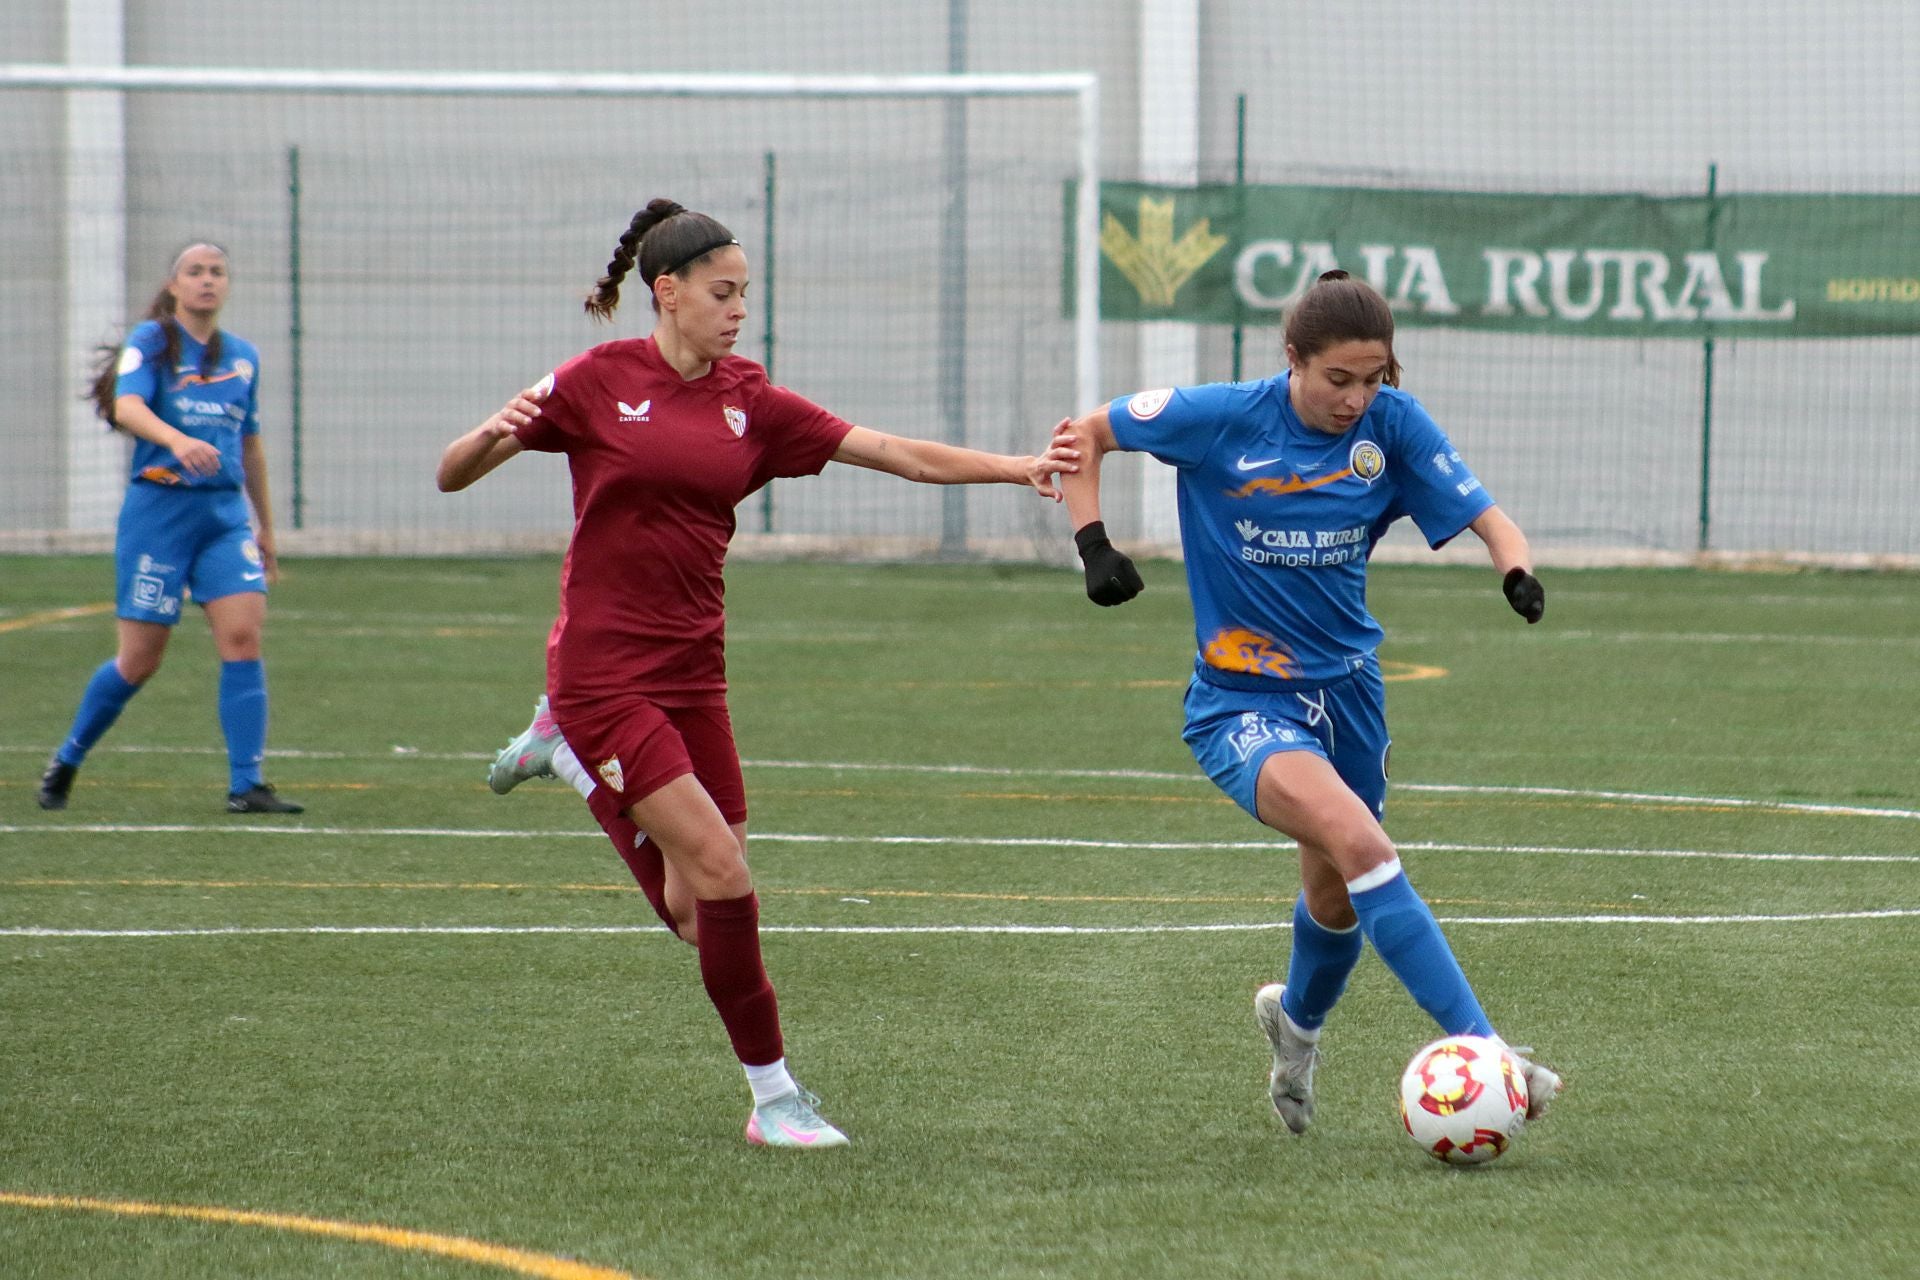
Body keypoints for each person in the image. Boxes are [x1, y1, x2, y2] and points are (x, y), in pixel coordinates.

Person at [436, 198, 1077, 1150]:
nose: (740, 310)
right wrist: (493, 433)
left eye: (745, 293)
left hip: (696, 671)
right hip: (604, 672)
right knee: (726, 875)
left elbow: (892, 452)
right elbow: (450, 474)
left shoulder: (750, 399)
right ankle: (773, 1098)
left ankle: (566, 759)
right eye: (723, 293)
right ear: (668, 292)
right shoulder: (595, 380)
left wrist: (1018, 467)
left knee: (700, 914)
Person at [1052, 269, 1560, 1135]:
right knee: (1364, 843)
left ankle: (1296, 1029)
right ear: (1293, 358)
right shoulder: (1219, 416)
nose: (1356, 399)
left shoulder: (1392, 425)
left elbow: (1488, 515)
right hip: (1241, 703)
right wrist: (1092, 542)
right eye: (1339, 379)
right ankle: (1490, 1052)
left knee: (1336, 899)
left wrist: (1515, 570)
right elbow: (1086, 434)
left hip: (1351, 697)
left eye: (1374, 378)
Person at [37, 243, 303, 815]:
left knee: (243, 637)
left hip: (223, 518)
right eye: (195, 271)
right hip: (159, 515)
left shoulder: (243, 357)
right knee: (139, 660)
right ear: (174, 285)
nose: (207, 280)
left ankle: (246, 785)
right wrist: (178, 440)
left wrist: (266, 526)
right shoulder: (152, 342)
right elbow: (127, 407)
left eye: (217, 272)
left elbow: (250, 445)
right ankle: (68, 756)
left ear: (227, 285)